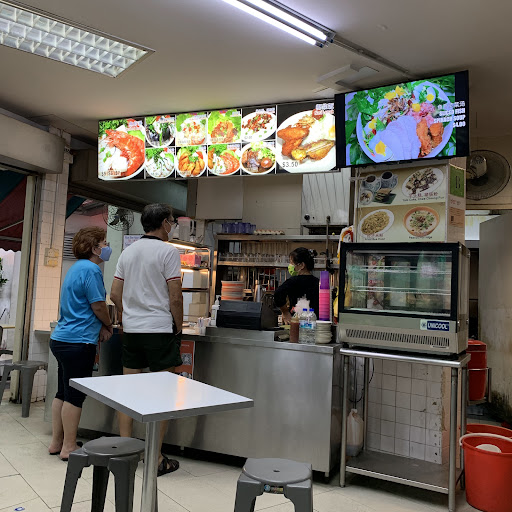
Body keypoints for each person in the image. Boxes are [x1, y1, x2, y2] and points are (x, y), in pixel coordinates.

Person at [110, 203, 183, 477]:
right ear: (164, 223)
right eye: (172, 221)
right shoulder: (168, 251)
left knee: (129, 390)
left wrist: (130, 314)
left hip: (132, 331)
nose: (172, 225)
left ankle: (126, 450)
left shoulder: (128, 252)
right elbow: (175, 296)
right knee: (162, 394)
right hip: (159, 331)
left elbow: (114, 294)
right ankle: (155, 457)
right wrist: (178, 327)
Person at [48, 227, 113, 460]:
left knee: (62, 392)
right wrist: (108, 325)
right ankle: (69, 447)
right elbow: (98, 305)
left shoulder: (74, 268)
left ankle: (56, 442)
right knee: (75, 396)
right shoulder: (92, 270)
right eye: (104, 243)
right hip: (79, 341)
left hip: (60, 339)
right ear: (94, 248)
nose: (107, 247)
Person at [274, 247, 319, 324]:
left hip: (296, 323)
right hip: (315, 323)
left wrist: (285, 312)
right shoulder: (318, 282)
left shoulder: (293, 281)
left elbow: (278, 294)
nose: (290, 266)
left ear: (302, 265)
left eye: (292, 263)